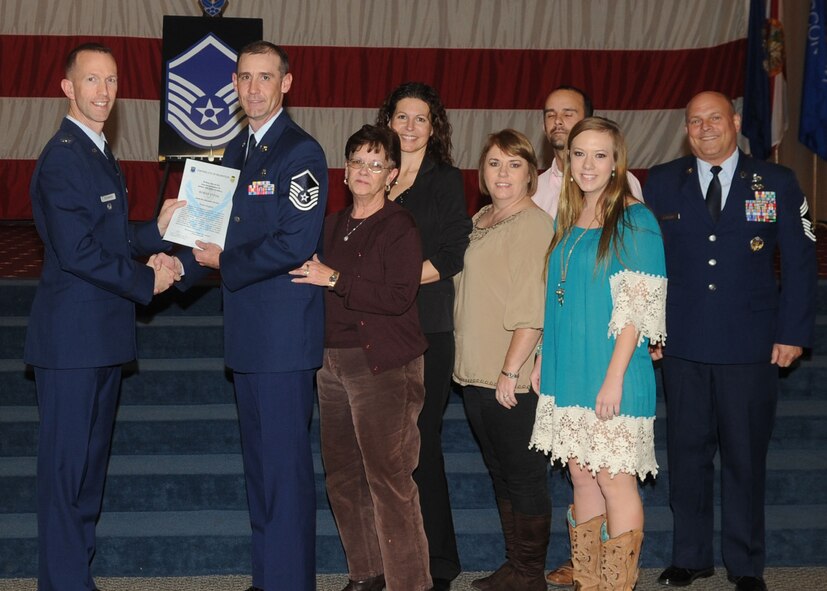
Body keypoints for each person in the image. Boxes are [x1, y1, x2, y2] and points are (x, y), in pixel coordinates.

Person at [25, 42, 183, 591]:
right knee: (66, 474)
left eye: (112, 81)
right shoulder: (65, 155)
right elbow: (78, 252)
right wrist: (148, 279)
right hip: (72, 344)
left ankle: (73, 576)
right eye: (92, 80)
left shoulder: (94, 150)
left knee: (88, 474)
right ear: (67, 87)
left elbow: (107, 237)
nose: (104, 91)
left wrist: (154, 233)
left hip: (99, 338)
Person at [645, 91, 816, 591]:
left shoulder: (777, 182)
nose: (704, 129)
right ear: (685, 128)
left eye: (714, 119)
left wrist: (792, 332)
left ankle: (745, 564)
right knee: (686, 453)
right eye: (694, 121)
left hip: (751, 345)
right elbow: (648, 263)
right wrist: (651, 328)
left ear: (735, 121)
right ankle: (690, 555)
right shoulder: (662, 182)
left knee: (744, 457)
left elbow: (802, 263)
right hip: (683, 344)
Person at [175, 41, 328, 591]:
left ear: (286, 83)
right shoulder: (234, 152)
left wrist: (224, 261)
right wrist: (165, 264)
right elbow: (209, 234)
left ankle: (289, 583)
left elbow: (295, 241)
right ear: (234, 85)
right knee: (262, 470)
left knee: (284, 472)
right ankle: (270, 578)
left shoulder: (300, 153)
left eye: (266, 77)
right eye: (245, 77)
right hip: (249, 337)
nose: (254, 87)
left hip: (284, 340)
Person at [291, 124, 432, 591]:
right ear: (345, 170)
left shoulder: (399, 226)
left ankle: (409, 583)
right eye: (357, 162)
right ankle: (367, 574)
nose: (365, 172)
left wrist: (335, 280)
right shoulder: (330, 224)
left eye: (376, 164)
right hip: (330, 365)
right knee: (343, 480)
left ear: (392, 174)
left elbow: (398, 296)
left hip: (384, 366)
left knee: (389, 483)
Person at [529, 117, 667, 591]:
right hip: (568, 368)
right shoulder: (568, 218)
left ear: (616, 163)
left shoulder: (635, 218)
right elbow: (560, 296)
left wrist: (613, 378)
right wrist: (544, 355)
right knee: (582, 478)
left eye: (599, 155)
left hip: (613, 371)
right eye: (578, 154)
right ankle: (588, 583)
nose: (587, 164)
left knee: (614, 480)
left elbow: (637, 310)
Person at [376, 81, 471, 591]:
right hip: (375, 329)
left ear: (433, 128)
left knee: (421, 444)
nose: (409, 127)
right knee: (383, 448)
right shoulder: (374, 173)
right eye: (401, 117)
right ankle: (395, 558)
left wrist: (394, 281)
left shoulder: (446, 179)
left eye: (420, 119)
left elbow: (453, 253)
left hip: (427, 327)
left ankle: (441, 562)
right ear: (387, 121)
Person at [453, 129, 553, 591]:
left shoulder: (532, 224)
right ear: (482, 173)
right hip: (476, 372)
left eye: (514, 165)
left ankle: (530, 575)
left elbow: (533, 306)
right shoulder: (482, 219)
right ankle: (516, 565)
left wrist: (511, 371)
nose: (503, 173)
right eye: (494, 163)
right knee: (501, 473)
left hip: (507, 374)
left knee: (524, 476)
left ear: (531, 174)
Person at [533, 85, 643, 219]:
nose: (557, 121)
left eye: (567, 114)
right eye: (550, 115)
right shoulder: (534, 190)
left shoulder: (622, 180)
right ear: (543, 126)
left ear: (588, 121)